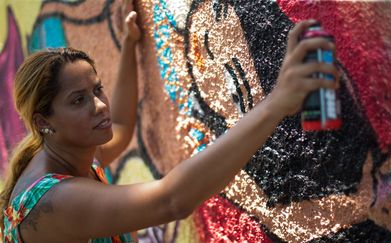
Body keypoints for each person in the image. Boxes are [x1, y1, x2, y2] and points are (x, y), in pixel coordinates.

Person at [0, 2, 338, 240]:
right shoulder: (54, 200)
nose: (99, 105)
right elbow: (171, 201)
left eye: (97, 89)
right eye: (78, 100)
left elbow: (119, 125)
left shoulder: (69, 153)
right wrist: (276, 102)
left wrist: (132, 44)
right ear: (44, 121)